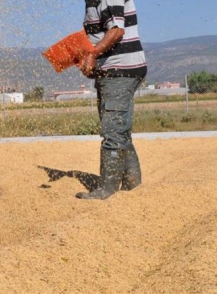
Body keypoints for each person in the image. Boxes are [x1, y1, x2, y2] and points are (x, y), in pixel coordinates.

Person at [75, 0, 146, 200]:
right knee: (119, 130)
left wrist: (92, 55)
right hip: (113, 71)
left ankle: (108, 187)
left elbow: (116, 31)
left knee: (112, 130)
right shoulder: (91, 3)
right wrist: (92, 63)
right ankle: (132, 183)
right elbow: (99, 36)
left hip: (120, 71)